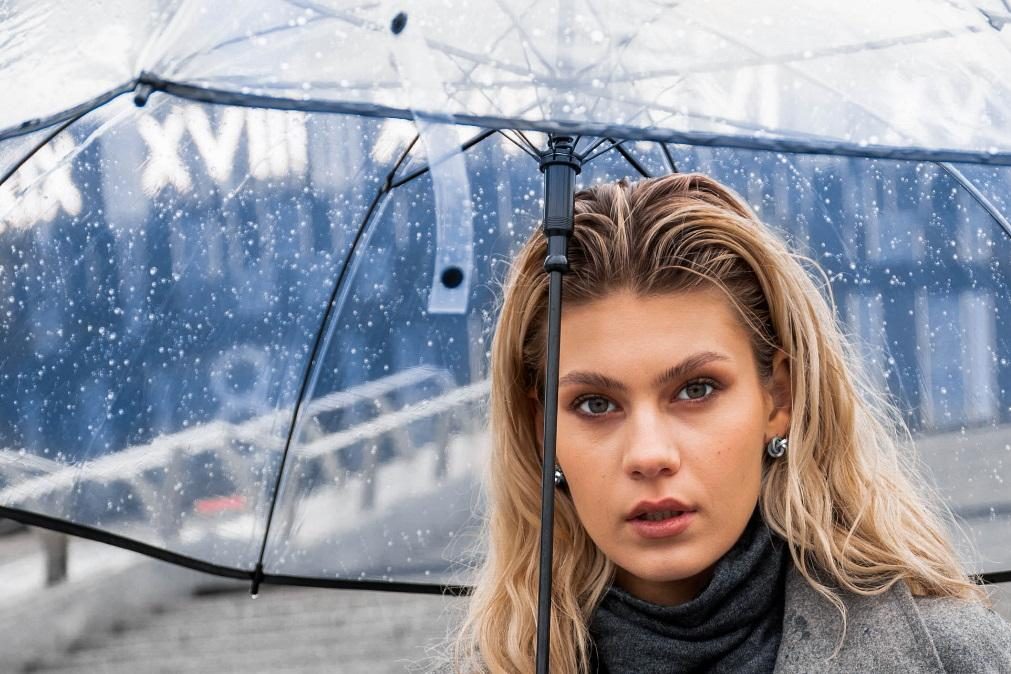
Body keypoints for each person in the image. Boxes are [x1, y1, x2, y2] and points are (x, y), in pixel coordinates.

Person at [450, 174, 1011, 672]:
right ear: (541, 429)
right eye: (596, 404)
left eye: (696, 390)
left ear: (778, 398)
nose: (649, 455)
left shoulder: (955, 655)